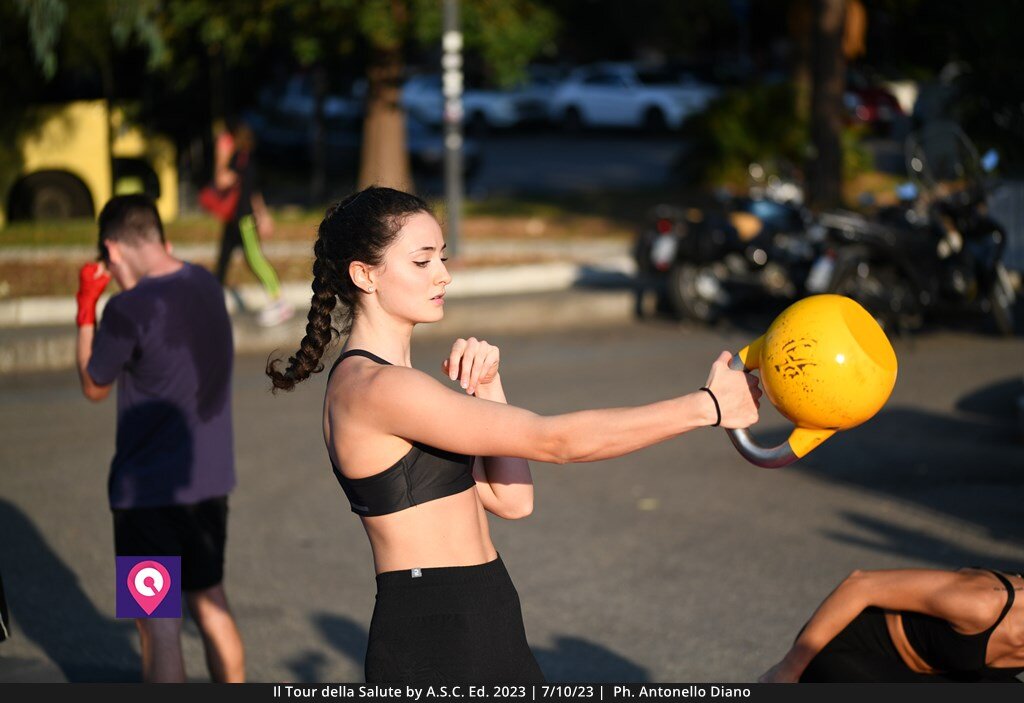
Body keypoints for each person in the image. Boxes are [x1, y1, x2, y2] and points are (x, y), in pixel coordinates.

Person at [266, 186, 763, 683]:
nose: (443, 274)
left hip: (483, 611)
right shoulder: (376, 388)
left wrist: (488, 388)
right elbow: (556, 442)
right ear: (364, 274)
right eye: (421, 262)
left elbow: (512, 501)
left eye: (441, 256)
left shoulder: (400, 384)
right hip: (435, 629)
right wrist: (707, 406)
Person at [74, 194, 245, 683]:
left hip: (145, 498)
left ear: (113, 248)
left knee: (158, 624)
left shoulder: (126, 309)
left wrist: (87, 307)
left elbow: (93, 385)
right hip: (210, 485)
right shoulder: (207, 284)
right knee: (211, 601)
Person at [759, 567, 1024, 683]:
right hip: (844, 650)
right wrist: (787, 671)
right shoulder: (983, 603)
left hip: (921, 673)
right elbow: (861, 585)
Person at [212, 119, 293, 327]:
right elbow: (253, 192)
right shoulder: (247, 159)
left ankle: (279, 302)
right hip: (236, 218)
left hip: (243, 219)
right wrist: (264, 215)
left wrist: (220, 156)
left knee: (254, 259)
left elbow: (221, 180)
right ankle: (212, 304)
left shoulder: (238, 158)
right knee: (224, 261)